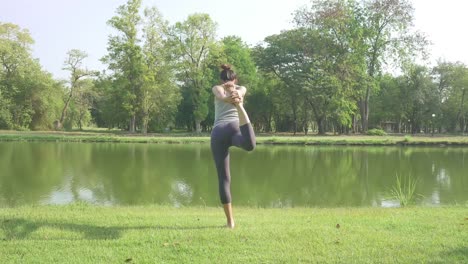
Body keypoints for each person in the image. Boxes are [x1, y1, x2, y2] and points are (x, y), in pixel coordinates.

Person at [211, 64, 256, 229]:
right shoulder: (235, 88)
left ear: (221, 79)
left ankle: (230, 223)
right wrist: (234, 98)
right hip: (235, 128)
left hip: (218, 133)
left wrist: (234, 95)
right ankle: (230, 222)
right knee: (249, 145)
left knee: (224, 178)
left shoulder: (223, 88)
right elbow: (224, 96)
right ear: (235, 79)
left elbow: (225, 95)